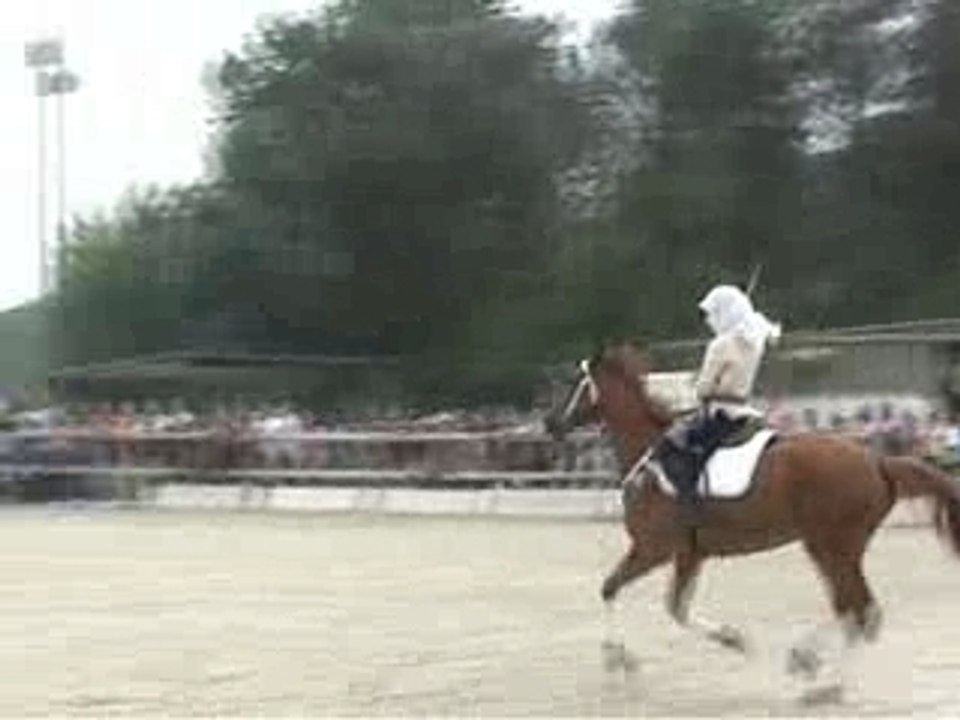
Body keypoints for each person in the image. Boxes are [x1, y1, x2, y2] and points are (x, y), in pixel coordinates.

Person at [655, 284, 782, 524]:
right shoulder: (755, 341)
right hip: (744, 411)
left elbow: (703, 388)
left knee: (669, 448)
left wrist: (695, 386)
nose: (709, 320)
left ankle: (689, 504)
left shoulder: (720, 344)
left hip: (719, 412)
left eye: (712, 314)